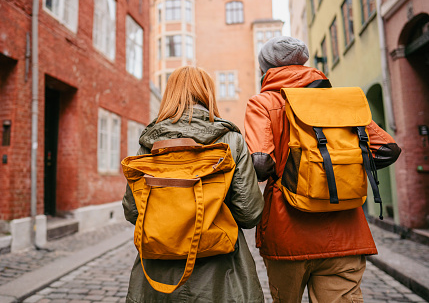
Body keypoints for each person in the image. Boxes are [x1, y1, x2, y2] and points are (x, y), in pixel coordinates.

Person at [244, 36, 401, 303]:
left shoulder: (263, 103)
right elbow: (388, 149)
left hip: (288, 230)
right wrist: (345, 167)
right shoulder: (343, 101)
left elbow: (261, 163)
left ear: (265, 69)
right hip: (347, 231)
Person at [122, 65, 265, 303]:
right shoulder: (230, 140)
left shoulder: (150, 143)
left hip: (159, 275)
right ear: (207, 93)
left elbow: (132, 210)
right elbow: (249, 213)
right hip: (221, 276)